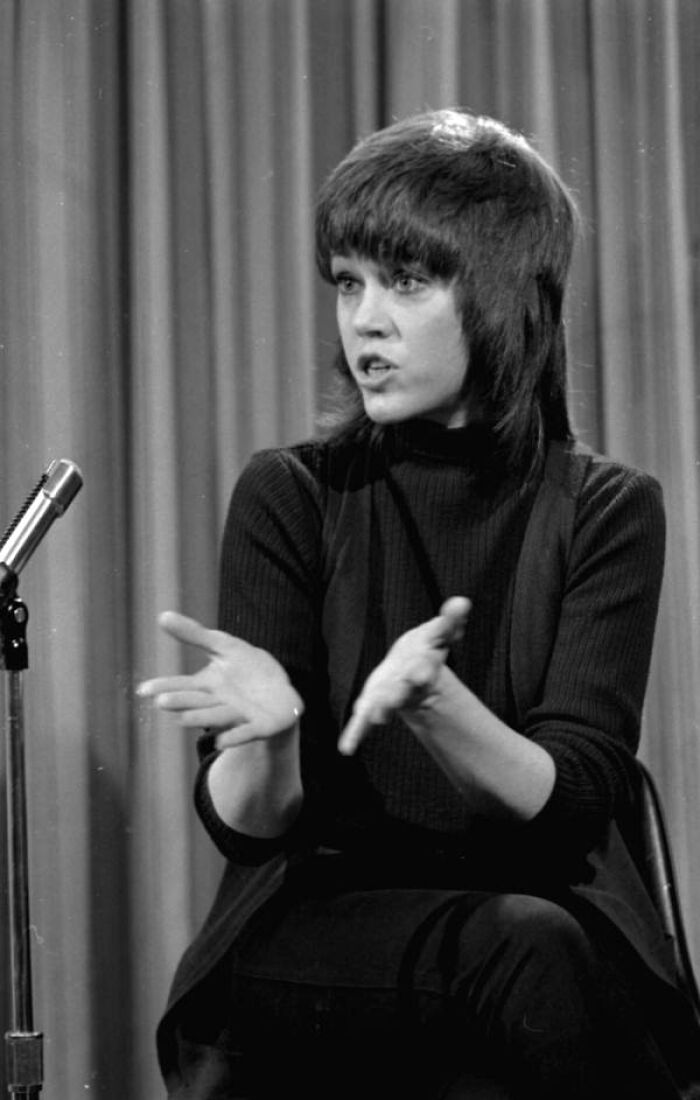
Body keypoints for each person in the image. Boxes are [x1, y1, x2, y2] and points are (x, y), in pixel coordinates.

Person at [138, 110, 699, 1099]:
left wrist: (437, 704)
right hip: (322, 927)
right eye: (347, 282)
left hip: (538, 912)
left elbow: (575, 802)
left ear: (501, 296)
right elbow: (248, 831)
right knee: (528, 953)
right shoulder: (291, 494)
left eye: (405, 281)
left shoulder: (608, 509)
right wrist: (270, 738)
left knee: (535, 949)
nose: (364, 320)